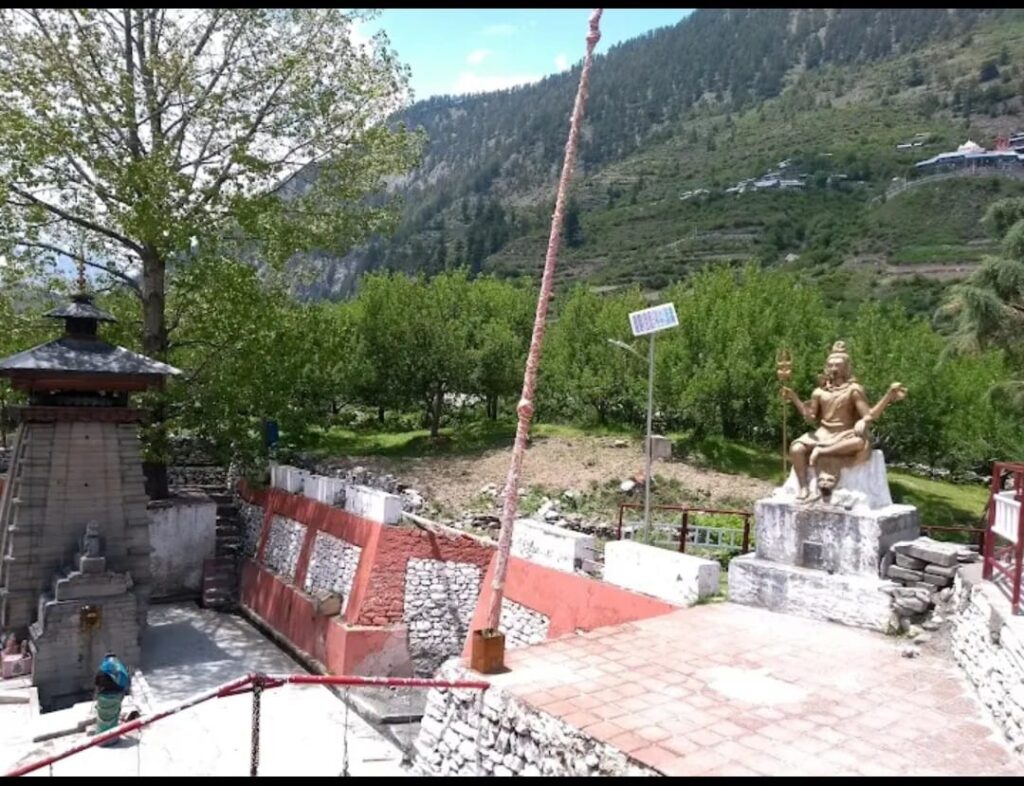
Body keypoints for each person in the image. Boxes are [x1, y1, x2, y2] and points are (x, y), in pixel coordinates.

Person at [780, 341, 906, 501]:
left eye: (838, 365)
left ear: (846, 368)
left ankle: (821, 451)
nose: (834, 369)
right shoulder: (818, 392)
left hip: (845, 433)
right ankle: (804, 487)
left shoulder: (854, 390)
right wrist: (794, 398)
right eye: (831, 365)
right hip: (823, 433)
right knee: (796, 448)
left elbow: (869, 415)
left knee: (860, 443)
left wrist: (887, 396)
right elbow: (810, 417)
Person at [94, 652, 131, 746]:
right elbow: (126, 682)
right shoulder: (119, 669)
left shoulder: (102, 670)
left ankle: (102, 736)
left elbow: (97, 684)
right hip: (117, 697)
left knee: (103, 715)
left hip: (103, 697)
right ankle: (112, 736)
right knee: (114, 714)